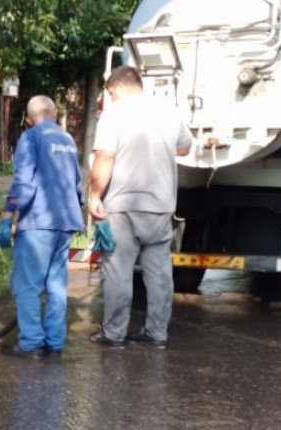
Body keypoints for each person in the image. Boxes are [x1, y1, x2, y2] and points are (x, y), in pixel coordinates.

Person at [88, 66, 193, 348]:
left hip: (122, 206)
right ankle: (157, 334)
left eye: (111, 93)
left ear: (119, 87)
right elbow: (185, 148)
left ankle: (114, 334)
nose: (111, 99)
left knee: (118, 271)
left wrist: (95, 195)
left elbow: (105, 157)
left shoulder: (114, 114)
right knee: (159, 272)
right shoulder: (169, 111)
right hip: (161, 205)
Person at [0, 95, 85, 360]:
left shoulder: (31, 137)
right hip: (66, 222)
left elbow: (23, 182)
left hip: (39, 221)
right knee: (56, 285)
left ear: (28, 118)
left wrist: (8, 214)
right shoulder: (67, 139)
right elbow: (77, 184)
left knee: (26, 285)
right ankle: (54, 344)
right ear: (54, 114)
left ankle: (31, 343)